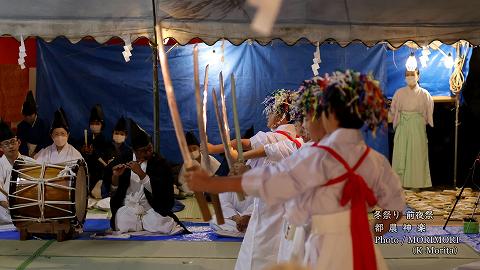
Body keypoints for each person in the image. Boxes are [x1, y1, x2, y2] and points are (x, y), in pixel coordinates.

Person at [186, 70, 405, 270]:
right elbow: (394, 211)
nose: (307, 123)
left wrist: (210, 183)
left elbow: (267, 182)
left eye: (312, 116)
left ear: (330, 117)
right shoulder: (376, 161)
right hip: (365, 253)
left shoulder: (312, 157)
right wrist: (369, 232)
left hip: (320, 251)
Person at [229, 89, 300, 270]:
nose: (268, 116)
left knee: (261, 246)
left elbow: (263, 147)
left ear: (283, 115)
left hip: (277, 204)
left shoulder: (286, 139)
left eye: (271, 111)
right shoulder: (295, 140)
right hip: (281, 204)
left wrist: (226, 150)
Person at [109, 119, 188, 234]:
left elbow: (163, 192)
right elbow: (114, 191)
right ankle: (139, 224)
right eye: (143, 151)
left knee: (161, 224)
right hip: (129, 209)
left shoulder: (160, 163)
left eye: (149, 148)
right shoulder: (124, 159)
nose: (148, 153)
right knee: (122, 221)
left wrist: (141, 174)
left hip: (151, 209)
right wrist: (115, 177)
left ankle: (142, 225)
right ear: (134, 151)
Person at [390, 68, 433, 189]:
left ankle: (417, 184)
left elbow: (429, 110)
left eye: (412, 74)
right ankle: (400, 184)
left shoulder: (425, 93)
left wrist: (421, 120)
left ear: (418, 76)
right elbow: (393, 109)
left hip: (417, 125)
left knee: (417, 154)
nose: (410, 77)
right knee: (401, 152)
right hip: (403, 124)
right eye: (407, 75)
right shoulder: (399, 92)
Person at [0, 120, 35, 224]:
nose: (11, 146)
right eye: (6, 144)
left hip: (29, 211)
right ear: (0, 148)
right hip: (5, 215)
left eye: (12, 142)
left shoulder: (31, 163)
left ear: (18, 143)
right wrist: (11, 207)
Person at [177, 131, 221, 196]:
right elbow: (182, 182)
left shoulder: (209, 159)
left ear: (199, 148)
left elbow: (219, 175)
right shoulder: (187, 164)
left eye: (194, 148)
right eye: (189, 150)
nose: (192, 151)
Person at [81, 104, 110, 196]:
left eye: (97, 124)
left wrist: (93, 153)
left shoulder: (106, 141)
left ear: (102, 125)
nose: (94, 126)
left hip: (100, 175)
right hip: (86, 174)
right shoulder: (86, 139)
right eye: (92, 123)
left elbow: (105, 161)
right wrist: (83, 151)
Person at [101, 116, 132, 199]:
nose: (118, 136)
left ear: (126, 136)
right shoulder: (106, 147)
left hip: (123, 183)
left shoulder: (129, 151)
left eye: (122, 134)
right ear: (113, 134)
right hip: (106, 182)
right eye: (116, 133)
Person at [16, 91, 51, 157]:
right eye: (26, 116)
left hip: (41, 152)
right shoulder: (21, 126)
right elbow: (21, 143)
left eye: (30, 115)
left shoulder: (44, 123)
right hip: (26, 153)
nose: (28, 118)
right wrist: (26, 155)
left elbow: (46, 141)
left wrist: (35, 152)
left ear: (35, 113)